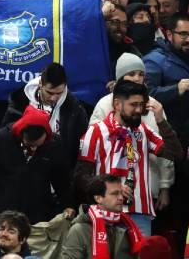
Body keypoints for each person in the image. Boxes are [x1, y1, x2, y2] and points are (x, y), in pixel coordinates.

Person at [76, 80, 182, 236]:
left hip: (140, 213)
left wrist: (161, 121)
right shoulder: (97, 131)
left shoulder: (144, 131)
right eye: (133, 105)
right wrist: (110, 188)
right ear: (117, 104)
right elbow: (80, 177)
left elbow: (176, 154)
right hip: (105, 212)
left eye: (141, 104)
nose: (139, 110)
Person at [89, 53, 175, 214]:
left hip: (147, 190)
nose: (137, 78)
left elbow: (167, 153)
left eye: (141, 74)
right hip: (109, 193)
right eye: (131, 74)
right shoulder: (104, 105)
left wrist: (165, 186)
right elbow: (93, 147)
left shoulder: (155, 107)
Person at [0, 105, 73, 224]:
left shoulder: (54, 145)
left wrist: (68, 205)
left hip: (38, 217)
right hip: (1, 214)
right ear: (20, 133)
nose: (33, 149)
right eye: (28, 146)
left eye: (38, 146)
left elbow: (62, 180)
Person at [2, 62, 88, 166]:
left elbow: (79, 148)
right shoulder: (20, 100)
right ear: (40, 84)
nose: (54, 98)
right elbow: (6, 133)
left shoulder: (75, 109)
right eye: (50, 92)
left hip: (55, 168)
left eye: (59, 93)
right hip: (19, 164)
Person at [143, 13, 189, 134]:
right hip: (169, 130)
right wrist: (175, 89)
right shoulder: (154, 60)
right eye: (183, 34)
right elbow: (146, 96)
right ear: (169, 34)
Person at [61, 174, 145, 259]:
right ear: (98, 198)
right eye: (115, 193)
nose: (121, 198)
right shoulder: (80, 230)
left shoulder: (128, 227)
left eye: (121, 193)